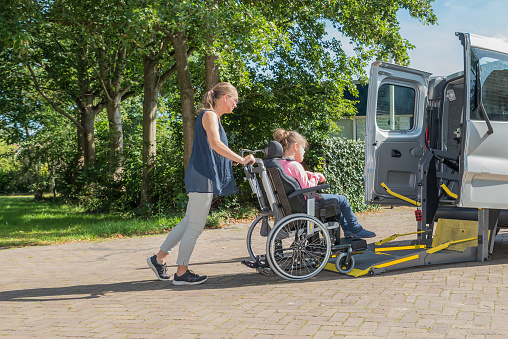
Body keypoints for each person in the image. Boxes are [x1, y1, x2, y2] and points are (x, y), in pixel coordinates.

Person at [147, 82, 255, 285]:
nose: (236, 105)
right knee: (195, 226)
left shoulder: (211, 116)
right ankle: (181, 273)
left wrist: (232, 158)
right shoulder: (209, 115)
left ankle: (159, 259)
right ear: (225, 97)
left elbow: (214, 147)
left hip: (200, 175)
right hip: (202, 177)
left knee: (188, 221)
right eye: (235, 100)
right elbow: (215, 144)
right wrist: (240, 160)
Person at [273, 128, 376, 239]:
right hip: (306, 205)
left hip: (292, 205)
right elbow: (308, 188)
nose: (304, 152)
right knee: (342, 200)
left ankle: (349, 232)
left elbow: (292, 181)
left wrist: (306, 173)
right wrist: (315, 176)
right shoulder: (295, 166)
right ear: (295, 146)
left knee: (336, 201)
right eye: (303, 148)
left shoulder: (279, 164)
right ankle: (356, 229)